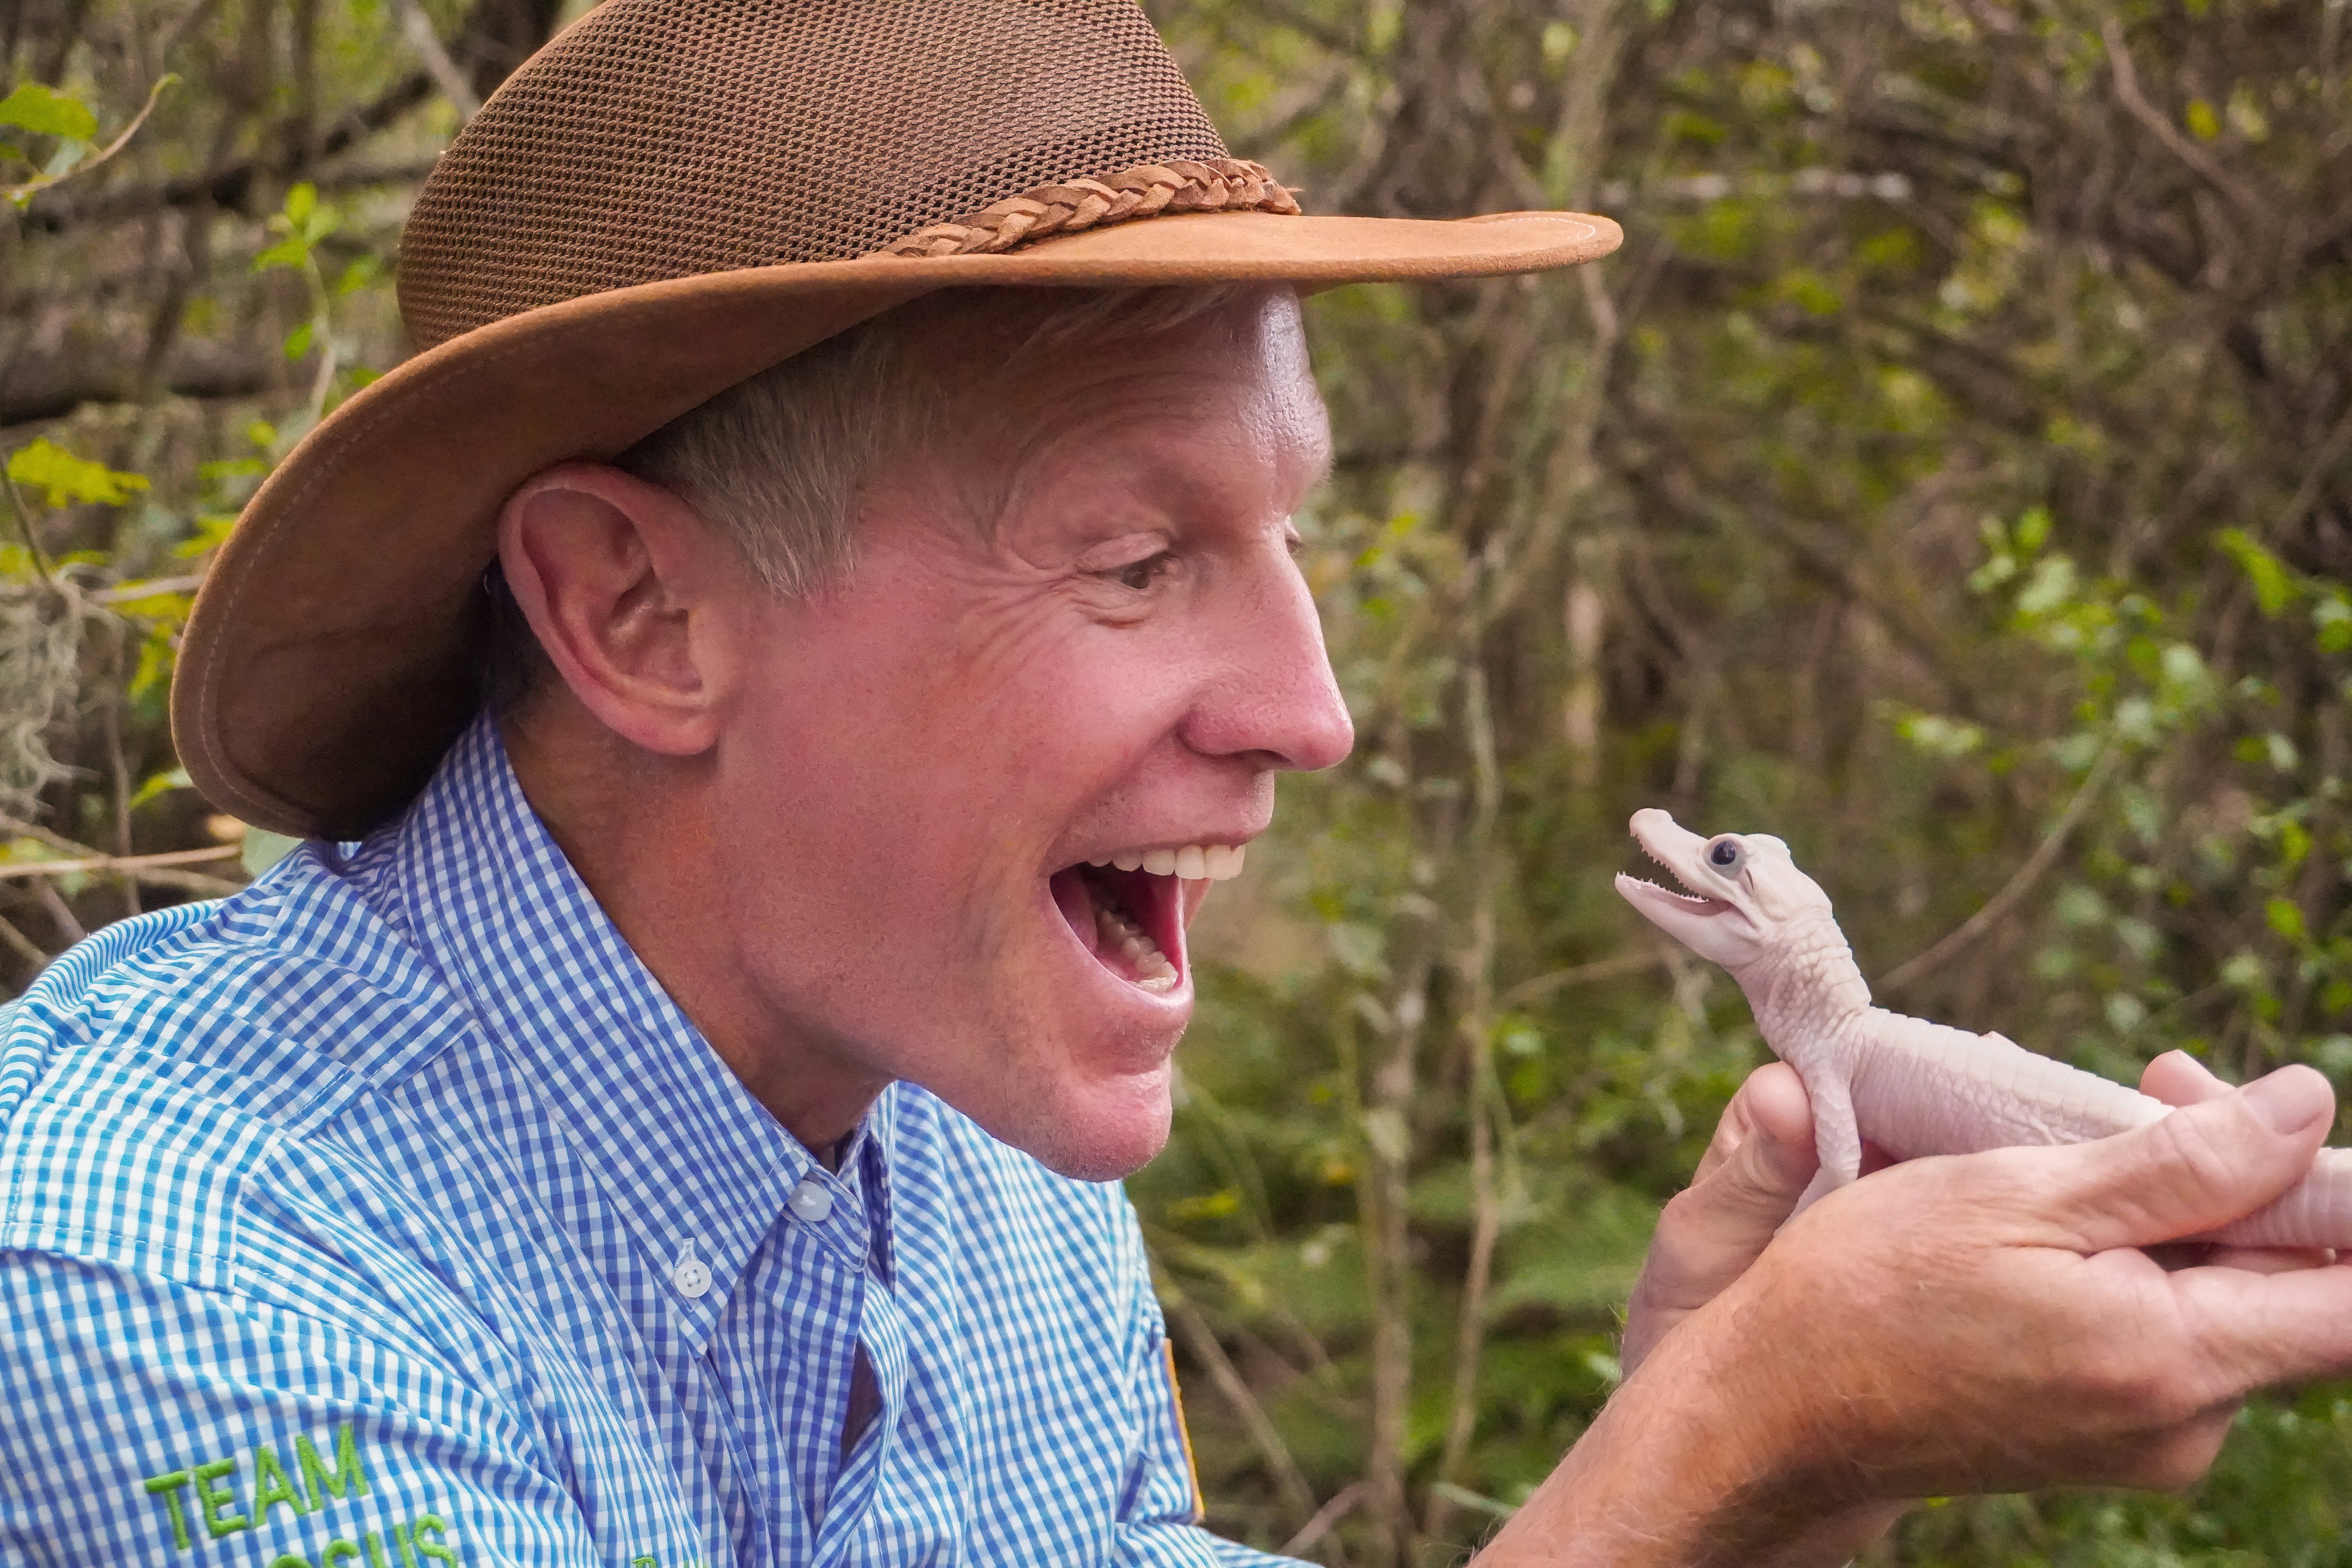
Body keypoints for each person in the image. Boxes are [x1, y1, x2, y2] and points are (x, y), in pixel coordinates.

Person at [8, 3, 2352, 1565]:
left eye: (1286, 530)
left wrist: (1731, 1453)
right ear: (640, 617)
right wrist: (1740, 1431)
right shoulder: (151, 1268)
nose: (1309, 711)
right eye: (1141, 559)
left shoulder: (989, 1174)